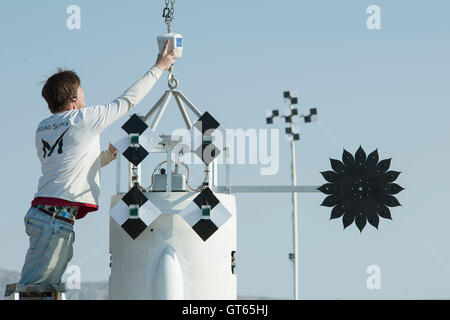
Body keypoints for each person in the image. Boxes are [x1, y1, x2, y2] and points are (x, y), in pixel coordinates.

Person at [19, 40, 176, 285]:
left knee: (41, 290)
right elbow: (127, 101)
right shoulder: (83, 118)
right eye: (81, 90)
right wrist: (159, 67)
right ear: (73, 96)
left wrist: (106, 156)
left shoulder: (43, 128)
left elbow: (69, 166)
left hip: (47, 216)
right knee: (36, 291)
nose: (85, 94)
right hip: (54, 219)